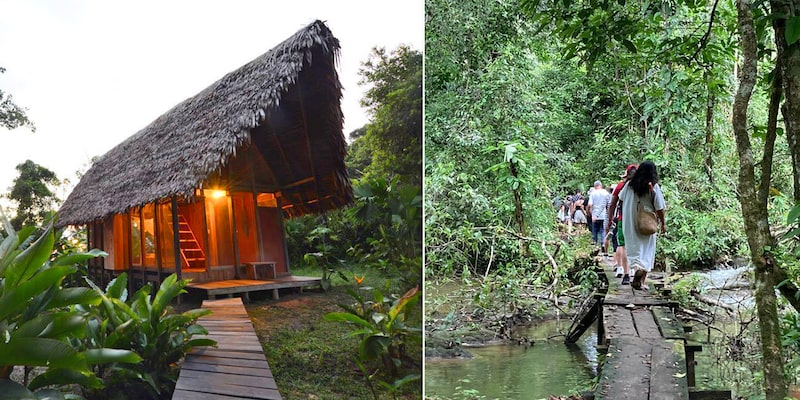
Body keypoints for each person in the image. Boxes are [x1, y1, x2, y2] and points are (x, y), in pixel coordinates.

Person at [617, 161, 666, 290]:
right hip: (646, 222)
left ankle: (637, 270)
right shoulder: (653, 186)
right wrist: (663, 224)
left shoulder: (628, 185)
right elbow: (660, 207)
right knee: (647, 249)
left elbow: (620, 198)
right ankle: (642, 279)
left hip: (629, 222)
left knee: (634, 247)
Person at [608, 164, 637, 284]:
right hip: (637, 220)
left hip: (622, 219)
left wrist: (610, 218)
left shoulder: (621, 186)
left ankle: (624, 272)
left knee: (623, 245)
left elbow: (613, 204)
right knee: (635, 246)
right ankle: (634, 270)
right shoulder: (642, 185)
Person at [588, 180, 610, 248]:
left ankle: (595, 244)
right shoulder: (605, 192)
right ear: (601, 185)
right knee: (603, 230)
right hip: (604, 214)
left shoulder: (593, 193)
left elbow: (589, 204)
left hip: (595, 215)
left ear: (595, 186)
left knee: (594, 230)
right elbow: (609, 204)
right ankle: (603, 243)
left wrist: (591, 213)